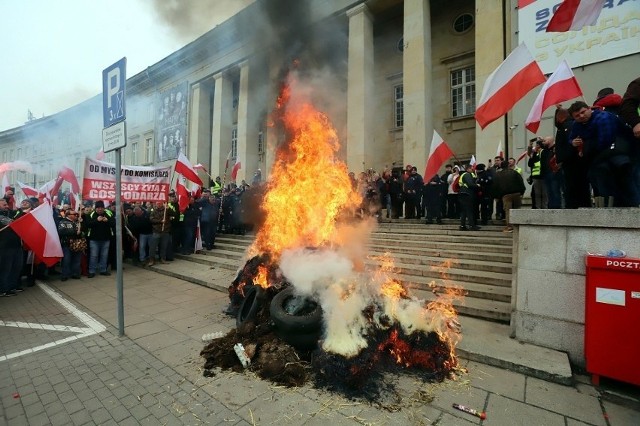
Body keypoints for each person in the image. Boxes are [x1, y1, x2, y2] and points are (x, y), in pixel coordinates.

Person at [567, 100, 636, 207]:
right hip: (600, 157)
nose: (581, 116)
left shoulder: (603, 118)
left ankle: (633, 204)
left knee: (624, 181)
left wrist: (586, 148)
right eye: (577, 115)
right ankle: (610, 205)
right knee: (600, 179)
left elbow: (605, 140)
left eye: (583, 112)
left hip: (617, 152)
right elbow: (571, 137)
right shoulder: (577, 124)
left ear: (589, 109)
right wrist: (573, 142)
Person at [554, 107, 591, 209]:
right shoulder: (575, 125)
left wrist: (561, 159)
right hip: (578, 162)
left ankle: (573, 211)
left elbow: (565, 146)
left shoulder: (566, 127)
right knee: (582, 189)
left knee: (572, 190)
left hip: (571, 164)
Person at [85, 200, 115, 277]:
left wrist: (107, 221)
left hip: (106, 239)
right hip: (94, 239)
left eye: (101, 208)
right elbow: (88, 225)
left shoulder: (109, 214)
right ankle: (92, 271)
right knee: (93, 256)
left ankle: (103, 270)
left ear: (104, 208)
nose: (100, 209)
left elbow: (113, 224)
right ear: (95, 208)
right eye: (98, 208)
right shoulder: (90, 215)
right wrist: (97, 220)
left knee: (104, 255)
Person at [0, 198, 23, 297]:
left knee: (16, 267)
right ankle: (3, 289)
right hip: (5, 246)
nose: (6, 206)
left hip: (16, 245)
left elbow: (19, 215)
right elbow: (10, 223)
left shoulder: (11, 213)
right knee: (6, 269)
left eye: (6, 204)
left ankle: (12, 286)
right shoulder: (2, 217)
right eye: (4, 204)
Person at [494, 164, 526, 233]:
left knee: (508, 211)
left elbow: (495, 186)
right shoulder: (515, 172)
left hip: (506, 195)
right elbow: (521, 182)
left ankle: (510, 227)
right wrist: (522, 192)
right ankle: (518, 226)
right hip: (517, 194)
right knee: (517, 209)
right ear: (508, 166)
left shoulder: (498, 175)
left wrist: (497, 197)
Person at [57, 209, 85, 281]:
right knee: (66, 260)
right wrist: (75, 232)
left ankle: (75, 274)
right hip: (67, 244)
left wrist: (82, 225)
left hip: (77, 244)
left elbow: (83, 230)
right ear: (68, 215)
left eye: (76, 214)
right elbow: (61, 231)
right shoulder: (63, 222)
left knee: (77, 260)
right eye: (74, 214)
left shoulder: (78, 222)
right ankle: (65, 275)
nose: (76, 215)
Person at [458, 164, 480, 231]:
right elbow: (470, 184)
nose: (472, 169)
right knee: (469, 210)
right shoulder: (467, 175)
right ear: (468, 169)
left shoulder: (464, 175)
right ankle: (471, 225)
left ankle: (462, 225)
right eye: (471, 168)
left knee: (464, 211)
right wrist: (477, 185)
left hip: (462, 194)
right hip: (467, 194)